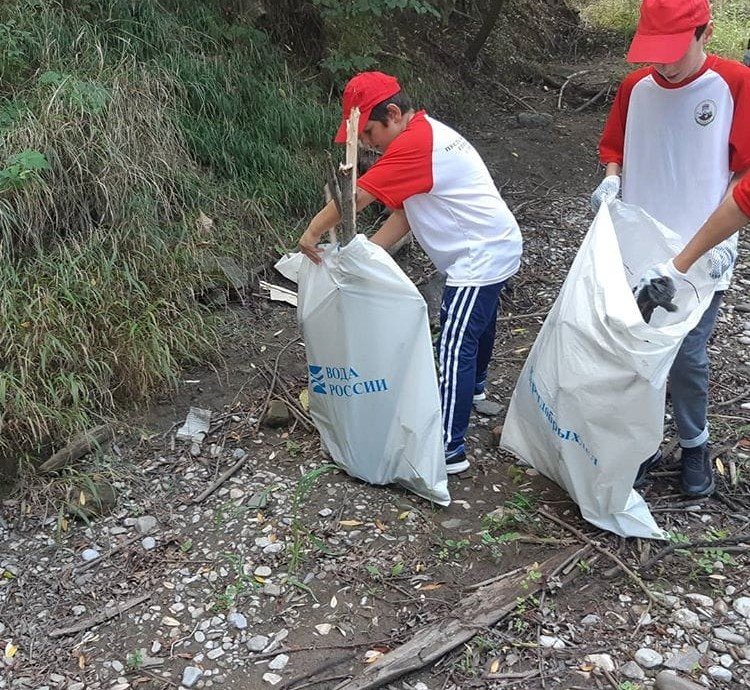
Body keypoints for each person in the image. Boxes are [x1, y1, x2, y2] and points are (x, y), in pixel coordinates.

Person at [298, 71, 522, 475]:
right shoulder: (425, 134)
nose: (367, 144)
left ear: (394, 114)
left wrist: (312, 232)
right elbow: (405, 212)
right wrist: (365, 256)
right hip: (495, 243)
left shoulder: (416, 144)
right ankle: (473, 390)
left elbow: (360, 195)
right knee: (479, 323)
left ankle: (449, 447)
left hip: (480, 255)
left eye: (368, 132)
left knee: (454, 342)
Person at [591, 0, 750, 497]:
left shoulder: (734, 84)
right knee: (635, 345)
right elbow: (614, 145)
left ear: (705, 32)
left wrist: (726, 241)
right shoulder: (634, 88)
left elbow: (744, 169)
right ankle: (640, 442)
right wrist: (612, 180)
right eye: (653, 51)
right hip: (637, 244)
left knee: (687, 354)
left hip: (702, 246)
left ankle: (694, 443)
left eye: (673, 50)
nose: (663, 63)